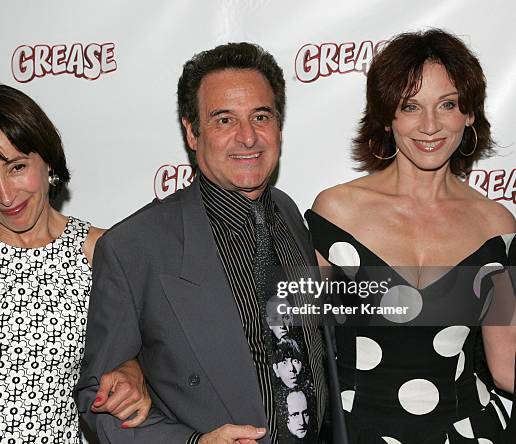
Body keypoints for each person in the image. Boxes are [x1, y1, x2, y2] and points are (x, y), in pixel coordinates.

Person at [75, 42, 347, 443]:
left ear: (279, 126)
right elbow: (100, 403)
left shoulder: (290, 212)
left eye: (261, 116)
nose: (248, 137)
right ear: (192, 131)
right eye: (224, 120)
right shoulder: (134, 246)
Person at [0, 84, 150, 444]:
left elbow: (145, 355)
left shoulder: (102, 252)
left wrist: (134, 371)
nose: (5, 195)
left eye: (16, 167)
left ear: (48, 160)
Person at [306, 29, 515, 443]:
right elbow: (289, 341)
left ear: (469, 114)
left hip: (468, 432)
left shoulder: (498, 226)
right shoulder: (336, 212)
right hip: (355, 431)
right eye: (411, 106)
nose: (431, 125)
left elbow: (507, 361)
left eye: (448, 105)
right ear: (387, 116)